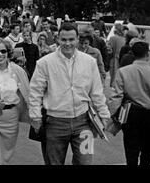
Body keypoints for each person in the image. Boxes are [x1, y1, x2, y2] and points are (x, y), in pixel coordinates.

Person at [29, 23, 110, 165]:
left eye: (71, 39)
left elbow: (97, 92)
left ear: (77, 39)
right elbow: (35, 93)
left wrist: (104, 114)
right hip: (54, 123)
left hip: (84, 123)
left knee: (85, 162)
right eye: (64, 40)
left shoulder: (90, 62)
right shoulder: (44, 63)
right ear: (57, 39)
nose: (67, 43)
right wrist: (35, 116)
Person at [108, 42, 150, 165]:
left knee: (131, 148)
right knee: (149, 147)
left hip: (130, 112)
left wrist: (113, 115)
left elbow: (116, 96)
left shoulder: (123, 71)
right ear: (147, 54)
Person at [108, 23, 126, 88]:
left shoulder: (112, 38)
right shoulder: (124, 38)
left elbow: (109, 50)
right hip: (122, 59)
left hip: (114, 59)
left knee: (114, 76)